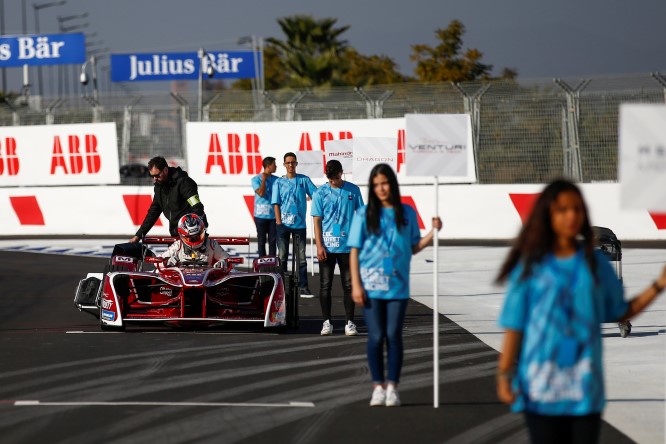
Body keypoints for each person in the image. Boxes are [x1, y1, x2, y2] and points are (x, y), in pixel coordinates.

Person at [495, 179, 666, 444]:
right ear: (548, 214)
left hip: (585, 389)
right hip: (540, 387)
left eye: (577, 208)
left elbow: (621, 311)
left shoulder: (596, 263)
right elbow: (515, 326)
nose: (572, 215)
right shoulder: (530, 266)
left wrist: (658, 285)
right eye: (563, 209)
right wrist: (505, 372)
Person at [348, 163, 442, 407]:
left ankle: (393, 387)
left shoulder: (407, 213)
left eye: (385, 183)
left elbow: (413, 247)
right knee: (376, 337)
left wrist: (433, 232)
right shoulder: (364, 213)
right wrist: (356, 285)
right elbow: (354, 251)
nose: (381, 188)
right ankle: (378, 386)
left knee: (394, 336)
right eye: (376, 184)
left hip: (397, 288)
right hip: (370, 286)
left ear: (392, 184)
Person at [312, 160, 364, 336]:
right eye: (330, 178)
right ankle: (327, 322)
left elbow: (361, 215)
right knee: (325, 285)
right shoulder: (320, 193)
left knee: (348, 286)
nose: (334, 181)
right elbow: (317, 220)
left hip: (348, 247)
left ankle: (350, 322)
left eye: (336, 177)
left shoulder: (353, 190)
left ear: (342, 173)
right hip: (327, 246)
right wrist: (319, 246)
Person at [129, 156, 207, 242]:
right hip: (175, 234)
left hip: (193, 234)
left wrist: (194, 231)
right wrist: (138, 235)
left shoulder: (184, 183)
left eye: (157, 175)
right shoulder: (159, 187)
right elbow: (153, 213)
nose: (155, 179)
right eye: (152, 176)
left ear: (165, 170)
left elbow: (197, 207)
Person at [272, 152, 317, 296]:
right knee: (283, 256)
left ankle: (303, 286)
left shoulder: (304, 180)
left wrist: (314, 195)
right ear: (284, 164)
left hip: (299, 225)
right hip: (283, 225)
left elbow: (316, 194)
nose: (291, 165)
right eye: (288, 163)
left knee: (302, 257)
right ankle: (282, 286)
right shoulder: (278, 182)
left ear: (296, 164)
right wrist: (278, 222)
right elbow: (276, 203)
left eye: (293, 162)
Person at [160, 213, 229, 267]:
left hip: (208, 282)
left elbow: (228, 260)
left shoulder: (211, 244)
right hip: (180, 283)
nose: (196, 240)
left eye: (199, 236)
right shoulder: (178, 245)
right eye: (192, 238)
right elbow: (157, 261)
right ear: (182, 236)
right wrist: (167, 261)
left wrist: (223, 263)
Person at [251, 157, 278, 257]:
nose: (276, 166)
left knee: (273, 242)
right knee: (261, 241)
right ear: (268, 166)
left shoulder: (277, 179)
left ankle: (272, 264)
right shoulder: (255, 179)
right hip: (260, 216)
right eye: (274, 164)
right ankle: (262, 264)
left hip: (273, 216)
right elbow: (261, 193)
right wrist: (263, 180)